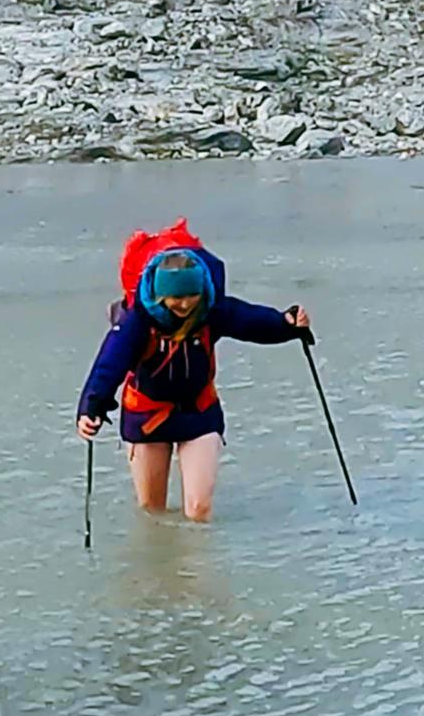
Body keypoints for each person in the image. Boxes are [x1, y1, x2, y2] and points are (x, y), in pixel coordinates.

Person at [74, 222, 308, 524]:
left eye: (192, 295)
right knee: (152, 512)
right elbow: (109, 365)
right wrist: (91, 408)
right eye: (176, 298)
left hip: (199, 413)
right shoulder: (138, 322)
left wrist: (287, 323)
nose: (185, 304)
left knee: (199, 511)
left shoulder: (211, 309)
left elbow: (251, 321)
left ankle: (197, 569)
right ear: (160, 295)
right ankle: (158, 571)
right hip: (147, 417)